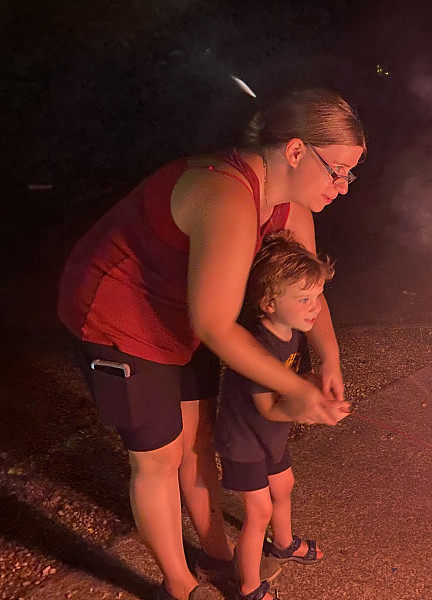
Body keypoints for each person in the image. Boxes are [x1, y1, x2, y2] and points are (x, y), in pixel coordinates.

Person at [57, 88, 363, 600]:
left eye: (352, 174)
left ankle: (216, 554)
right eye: (337, 170)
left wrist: (328, 356)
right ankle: (179, 586)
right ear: (294, 150)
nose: (345, 187)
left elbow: (311, 288)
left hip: (184, 315)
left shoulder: (291, 208)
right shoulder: (223, 192)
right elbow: (219, 325)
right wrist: (296, 388)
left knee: (197, 442)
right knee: (158, 456)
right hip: (121, 314)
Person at [215, 232, 344, 600]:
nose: (314, 308)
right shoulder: (257, 346)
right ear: (270, 302)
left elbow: (294, 381)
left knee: (284, 488)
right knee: (258, 513)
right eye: (304, 299)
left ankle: (283, 544)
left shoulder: (293, 331)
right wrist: (305, 411)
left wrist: (316, 389)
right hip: (244, 440)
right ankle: (249, 586)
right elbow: (269, 406)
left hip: (271, 436)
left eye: (317, 296)